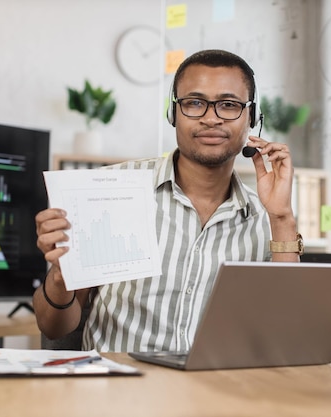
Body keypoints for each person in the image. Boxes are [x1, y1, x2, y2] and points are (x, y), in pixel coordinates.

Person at [33, 49, 302, 352]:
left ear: (251, 117)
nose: (211, 118)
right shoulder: (111, 190)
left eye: (228, 105)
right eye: (195, 103)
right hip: (118, 392)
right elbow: (54, 327)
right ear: (173, 114)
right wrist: (60, 274)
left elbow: (286, 335)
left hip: (219, 392)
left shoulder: (267, 216)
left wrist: (282, 218)